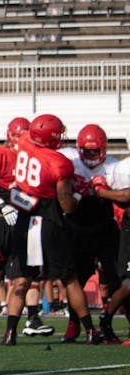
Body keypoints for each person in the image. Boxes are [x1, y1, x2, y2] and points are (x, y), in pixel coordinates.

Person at [1, 114, 100, 345]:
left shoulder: (24, 139)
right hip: (48, 220)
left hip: (24, 217)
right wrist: (79, 195)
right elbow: (67, 205)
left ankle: (10, 333)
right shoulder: (59, 162)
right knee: (68, 278)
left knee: (22, 280)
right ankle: (90, 331)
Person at [0, 117, 55, 339]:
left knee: (28, 273)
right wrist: (3, 206)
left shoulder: (36, 156)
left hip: (24, 220)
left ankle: (32, 318)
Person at [60, 124, 121, 342]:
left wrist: (104, 191)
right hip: (76, 228)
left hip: (104, 226)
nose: (91, 155)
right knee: (75, 278)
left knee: (116, 277)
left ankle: (108, 323)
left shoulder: (114, 167)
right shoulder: (70, 160)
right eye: (87, 151)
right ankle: (74, 322)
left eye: (95, 151)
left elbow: (122, 197)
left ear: (104, 149)